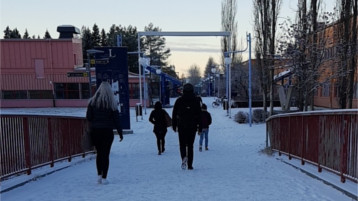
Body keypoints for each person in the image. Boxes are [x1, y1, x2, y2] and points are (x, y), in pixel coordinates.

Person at [86, 81, 123, 185]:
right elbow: (116, 120)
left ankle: (98, 175)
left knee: (99, 154)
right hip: (107, 131)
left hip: (95, 131)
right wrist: (120, 132)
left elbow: (89, 117)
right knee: (105, 154)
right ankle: (104, 177)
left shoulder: (92, 102)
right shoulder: (112, 103)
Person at [172, 83, 202, 170]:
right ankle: (190, 165)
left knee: (182, 144)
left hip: (182, 125)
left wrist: (174, 125)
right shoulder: (196, 101)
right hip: (192, 126)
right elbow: (199, 115)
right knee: (190, 146)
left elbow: (174, 114)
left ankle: (184, 157)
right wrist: (200, 127)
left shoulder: (179, 100)